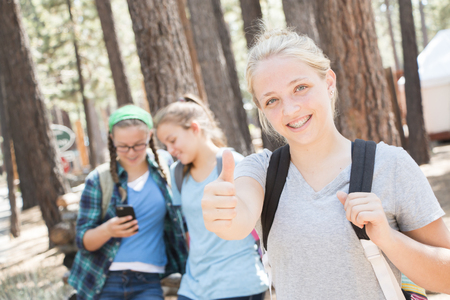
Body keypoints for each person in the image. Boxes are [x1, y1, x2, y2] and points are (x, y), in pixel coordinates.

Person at [201, 28, 450, 299]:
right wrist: (223, 214)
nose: (290, 109)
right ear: (262, 111)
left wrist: (388, 239)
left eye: (300, 88)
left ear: (329, 82)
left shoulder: (391, 165)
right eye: (272, 100)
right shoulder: (260, 171)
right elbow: (238, 219)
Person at [154, 95, 268, 300]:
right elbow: (190, 231)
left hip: (239, 285)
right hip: (194, 286)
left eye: (172, 140)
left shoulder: (234, 163)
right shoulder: (177, 173)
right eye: (165, 144)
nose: (170, 150)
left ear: (195, 128)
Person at [69, 105, 188, 300]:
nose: (131, 152)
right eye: (123, 146)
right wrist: (108, 230)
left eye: (139, 144)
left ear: (150, 136)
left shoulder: (165, 168)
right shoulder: (99, 179)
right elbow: (83, 241)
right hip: (103, 281)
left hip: (150, 281)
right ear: (112, 140)